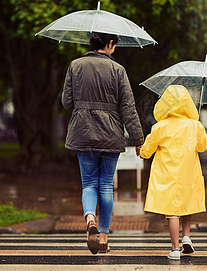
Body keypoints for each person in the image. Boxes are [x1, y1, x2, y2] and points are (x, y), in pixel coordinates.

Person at [61, 32, 144, 255]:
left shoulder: (75, 65)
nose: (114, 49)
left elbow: (67, 102)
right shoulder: (118, 70)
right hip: (110, 133)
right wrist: (138, 139)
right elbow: (128, 107)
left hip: (83, 131)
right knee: (106, 185)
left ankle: (90, 218)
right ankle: (104, 239)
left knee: (88, 183)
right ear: (109, 44)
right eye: (114, 45)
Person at [139, 85, 207, 260]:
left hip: (167, 175)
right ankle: (186, 236)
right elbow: (202, 147)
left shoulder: (160, 127)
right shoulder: (195, 125)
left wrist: (141, 151)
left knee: (172, 211)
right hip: (189, 173)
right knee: (187, 205)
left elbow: (147, 151)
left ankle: (175, 248)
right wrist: (199, 129)